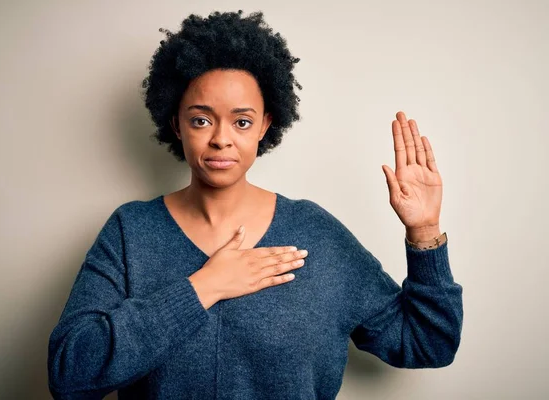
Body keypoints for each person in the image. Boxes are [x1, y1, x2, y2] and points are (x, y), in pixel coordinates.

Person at [47, 10, 463, 400]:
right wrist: (205, 286)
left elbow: (429, 344)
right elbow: (69, 376)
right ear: (176, 124)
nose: (221, 139)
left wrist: (424, 232)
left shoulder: (315, 233)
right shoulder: (131, 231)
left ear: (266, 124)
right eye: (201, 119)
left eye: (242, 121)